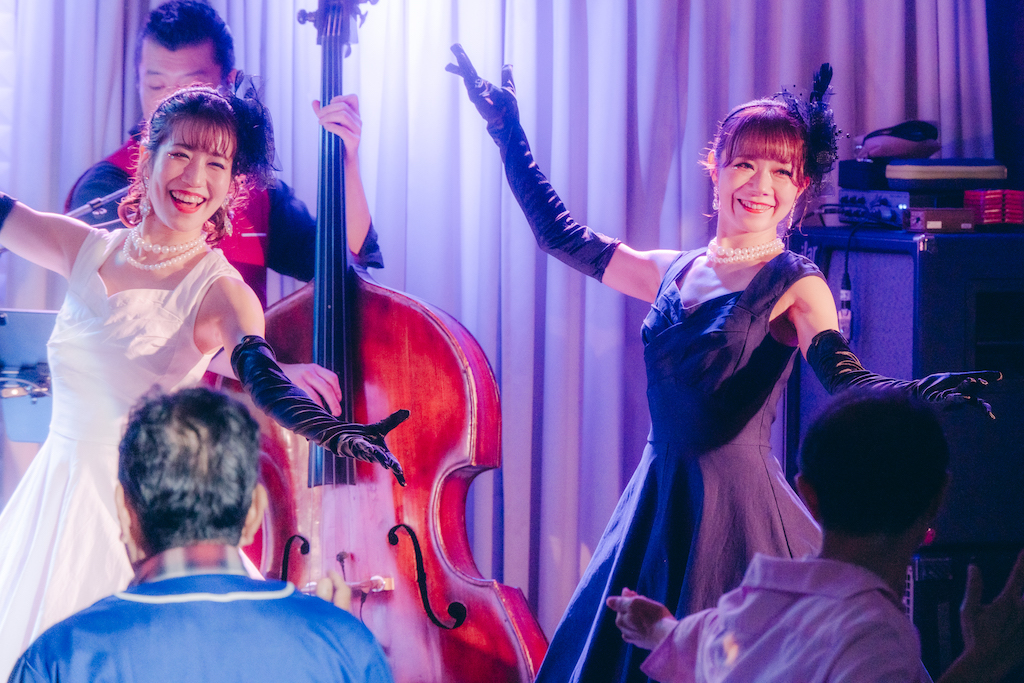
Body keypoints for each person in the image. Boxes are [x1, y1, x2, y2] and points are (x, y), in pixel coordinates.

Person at [447, 47, 999, 683]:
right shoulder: (670, 270)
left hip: (736, 510)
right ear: (715, 171)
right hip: (657, 499)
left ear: (800, 188)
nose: (760, 185)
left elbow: (845, 378)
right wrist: (507, 133)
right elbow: (560, 235)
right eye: (744, 164)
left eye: (781, 171)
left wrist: (920, 391)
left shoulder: (797, 281)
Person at [0, 85, 407, 678]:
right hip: (50, 497)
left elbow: (260, 378)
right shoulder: (84, 249)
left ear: (231, 184)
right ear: (148, 159)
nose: (195, 177)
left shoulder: (223, 293)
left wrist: (335, 433)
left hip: (133, 511)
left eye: (217, 163)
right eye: (181, 154)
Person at [607, 389, 1024, 683]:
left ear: (807, 495)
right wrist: (981, 663)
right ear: (938, 498)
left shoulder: (747, 610)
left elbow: (707, 646)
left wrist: (657, 628)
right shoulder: (874, 636)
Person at [7, 386, 395, 682]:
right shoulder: (344, 642)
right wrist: (331, 643)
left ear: (124, 513)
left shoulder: (60, 656)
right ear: (254, 512)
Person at [66, 0, 382, 307]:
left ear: (228, 86)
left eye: (191, 87)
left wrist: (347, 163)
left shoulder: (251, 185)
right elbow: (127, 307)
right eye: (157, 86)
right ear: (138, 84)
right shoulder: (106, 185)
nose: (172, 103)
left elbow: (342, 260)